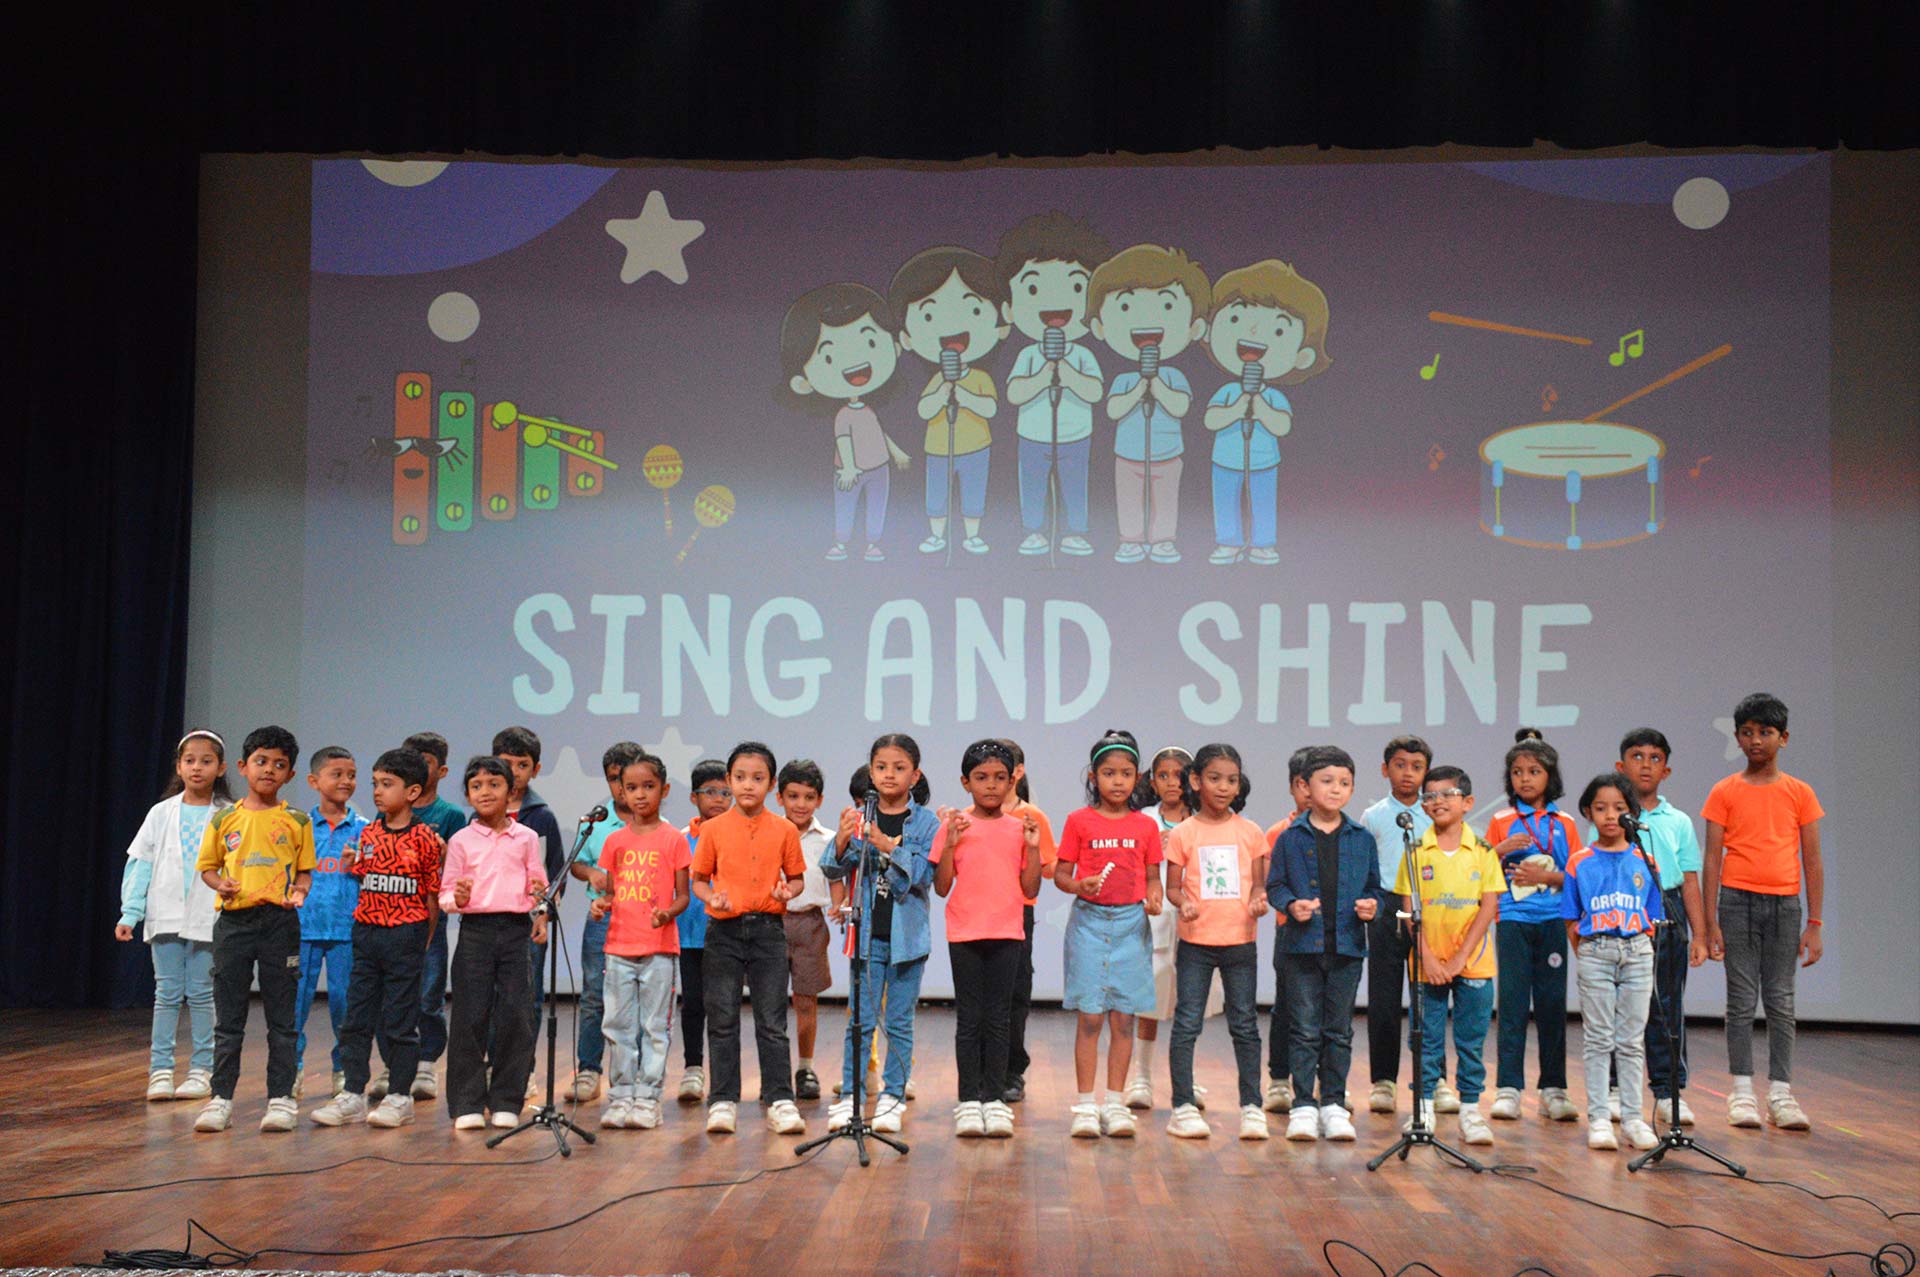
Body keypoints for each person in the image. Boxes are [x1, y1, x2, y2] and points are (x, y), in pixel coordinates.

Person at [1703, 692, 1824, 1131]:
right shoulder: (1724, 791)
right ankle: (1741, 1093)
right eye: (1748, 732)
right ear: (1737, 738)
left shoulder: (1800, 793)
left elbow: (1812, 861)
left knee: (1780, 1000)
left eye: (1766, 732)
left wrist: (1814, 924)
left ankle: (1780, 1093)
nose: (1756, 740)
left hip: (1785, 906)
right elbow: (1712, 859)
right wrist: (1711, 922)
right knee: (1740, 1001)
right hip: (1736, 902)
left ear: (1783, 738)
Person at [191, 725, 316, 1134]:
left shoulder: (297, 820)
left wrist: (299, 891)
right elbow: (208, 868)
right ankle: (220, 1099)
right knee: (229, 1018)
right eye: (261, 761)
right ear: (244, 767)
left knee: (282, 1017)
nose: (269, 770)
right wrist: (220, 884)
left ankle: (280, 1098)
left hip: (280, 923)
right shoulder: (224, 818)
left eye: (279, 765)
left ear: (290, 775)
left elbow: (304, 872)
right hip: (234, 924)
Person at [311, 747, 444, 1130]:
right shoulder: (368, 833)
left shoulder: (425, 839)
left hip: (406, 935)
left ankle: (400, 1096)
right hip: (367, 935)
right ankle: (352, 1094)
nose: (377, 792)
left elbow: (432, 896)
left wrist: (422, 940)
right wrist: (354, 865)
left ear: (413, 792)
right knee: (356, 1018)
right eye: (375, 784)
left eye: (387, 784)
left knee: (399, 1021)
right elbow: (365, 874)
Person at [691, 742, 808, 1137]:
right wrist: (712, 898)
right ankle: (723, 1100)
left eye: (757, 778)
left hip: (768, 931)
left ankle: (780, 1099)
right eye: (740, 777)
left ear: (771, 784)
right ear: (729, 780)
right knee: (722, 1018)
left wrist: (788, 892)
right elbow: (699, 880)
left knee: (771, 1021)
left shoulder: (785, 829)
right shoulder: (712, 829)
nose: (747, 785)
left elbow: (796, 879)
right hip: (723, 931)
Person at [1269, 746, 1385, 1142]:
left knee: (1338, 1030)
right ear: (1305, 786)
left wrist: (1372, 906)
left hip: (1347, 948)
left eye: (1345, 783)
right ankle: (1303, 1104)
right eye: (1327, 781)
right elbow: (1275, 885)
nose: (1336, 789)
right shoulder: (1290, 837)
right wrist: (1291, 904)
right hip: (1301, 949)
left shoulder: (1362, 838)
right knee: (1304, 1029)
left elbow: (1374, 888)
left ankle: (1333, 1103)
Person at [823, 735, 936, 1136]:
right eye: (882, 767)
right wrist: (842, 840)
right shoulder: (859, 816)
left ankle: (893, 1096)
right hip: (867, 935)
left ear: (914, 775)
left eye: (899, 768)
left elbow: (924, 876)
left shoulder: (926, 822)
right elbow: (832, 868)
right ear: (871, 772)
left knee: (900, 1022)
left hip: (907, 937)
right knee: (860, 1021)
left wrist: (887, 845)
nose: (890, 775)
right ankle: (851, 1095)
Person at [1056, 729, 1164, 1139]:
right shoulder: (1078, 821)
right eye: (1108, 773)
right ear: (1093, 777)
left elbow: (1152, 876)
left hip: (1131, 926)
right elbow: (1061, 874)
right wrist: (1077, 885)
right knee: (1089, 1017)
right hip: (1089, 923)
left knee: (1124, 1018)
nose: (1117, 781)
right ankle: (1086, 1105)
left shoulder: (1145, 825)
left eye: (1126, 773)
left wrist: (1154, 896)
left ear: (1137, 778)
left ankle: (1115, 1103)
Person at [933, 740, 1043, 1138]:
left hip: (1008, 932)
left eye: (999, 777)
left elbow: (1031, 888)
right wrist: (949, 844)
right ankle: (968, 1099)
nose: (991, 785)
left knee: (999, 1018)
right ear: (966, 782)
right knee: (970, 1018)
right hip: (965, 933)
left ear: (1013, 780)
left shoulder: (1019, 828)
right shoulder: (955, 825)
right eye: (981, 778)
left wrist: (1032, 849)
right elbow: (941, 886)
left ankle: (994, 1099)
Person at [117, 729, 232, 1103]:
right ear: (179, 767)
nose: (197, 768)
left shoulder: (229, 814)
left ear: (221, 768)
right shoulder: (161, 813)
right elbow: (141, 864)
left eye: (206, 761)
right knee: (166, 994)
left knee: (201, 994)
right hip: (165, 914)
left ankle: (202, 1070)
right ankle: (161, 1071)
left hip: (209, 917)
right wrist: (130, 913)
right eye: (190, 761)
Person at [1162, 743, 1270, 1141]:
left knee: (1244, 1025)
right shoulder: (1184, 833)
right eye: (1214, 778)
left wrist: (1259, 900)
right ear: (1195, 781)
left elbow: (1258, 884)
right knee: (1187, 1023)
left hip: (1240, 942)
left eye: (1231, 780)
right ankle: (1183, 1106)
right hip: (1197, 943)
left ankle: (1252, 1106)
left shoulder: (1251, 832)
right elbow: (1173, 888)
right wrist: (1184, 903)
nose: (1224, 787)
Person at [1199, 259, 1332, 566]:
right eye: (1236, 318)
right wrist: (1238, 407)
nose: (1254, 332)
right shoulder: (1228, 391)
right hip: (1225, 459)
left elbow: (1282, 426)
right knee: (1225, 501)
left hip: (1263, 462)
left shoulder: (1273, 396)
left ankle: (1263, 544)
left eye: (1278, 329)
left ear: (1302, 357)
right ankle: (1228, 543)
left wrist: (1259, 405)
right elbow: (1211, 420)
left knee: (1262, 502)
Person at [1396, 766, 1503, 1146]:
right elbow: (1407, 911)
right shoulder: (1414, 852)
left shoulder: (1483, 851)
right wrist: (1427, 957)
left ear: (1467, 802)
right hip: (1427, 964)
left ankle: (1471, 1110)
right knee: (1425, 1041)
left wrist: (1459, 960)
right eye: (1430, 796)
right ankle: (1423, 1107)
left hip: (1473, 963)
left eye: (1447, 794)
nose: (1437, 801)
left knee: (1471, 1042)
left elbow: (1488, 908)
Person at [440, 755, 547, 1131]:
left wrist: (540, 907)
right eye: (476, 786)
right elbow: (446, 893)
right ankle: (466, 1101)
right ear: (468, 794)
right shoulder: (461, 840)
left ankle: (506, 1099)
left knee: (516, 1015)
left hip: (516, 930)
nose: (485, 792)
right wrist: (458, 898)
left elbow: (538, 884)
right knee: (470, 1015)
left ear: (511, 791)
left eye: (494, 784)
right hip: (476, 931)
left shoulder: (527, 837)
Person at [996, 212, 1110, 558]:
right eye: (1033, 288)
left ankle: (1075, 532)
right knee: (1032, 485)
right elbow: (1014, 393)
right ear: (1010, 308)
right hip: (1033, 436)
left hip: (1076, 435)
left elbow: (1095, 392)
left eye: (1076, 287)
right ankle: (1034, 532)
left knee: (1075, 485)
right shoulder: (1029, 355)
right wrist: (1045, 373)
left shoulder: (1083, 355)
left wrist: (1066, 371)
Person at [1088, 244, 1211, 563]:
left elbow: (1180, 407)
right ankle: (1130, 539)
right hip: (1127, 454)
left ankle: (1162, 541)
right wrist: (1141, 384)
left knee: (1165, 499)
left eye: (1166, 305)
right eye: (1127, 306)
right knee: (1129, 499)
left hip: (1167, 454)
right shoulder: (1124, 379)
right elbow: (1114, 410)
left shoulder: (1173, 376)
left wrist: (1155, 380)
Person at [1484, 731, 1582, 1123]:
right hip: (1512, 920)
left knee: (1552, 1005)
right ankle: (1508, 1088)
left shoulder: (1565, 822)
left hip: (1553, 921)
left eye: (1534, 771)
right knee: (1511, 1005)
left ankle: (1554, 1089)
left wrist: (1548, 878)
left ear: (1550, 776)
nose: (1525, 779)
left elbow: (1577, 875)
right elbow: (1480, 872)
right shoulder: (1501, 820)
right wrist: (1498, 851)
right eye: (1517, 772)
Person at [1610, 728, 1706, 1125]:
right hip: (1623, 908)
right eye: (1637, 757)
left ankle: (1668, 1091)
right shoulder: (1610, 815)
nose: (1645, 765)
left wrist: (1700, 935)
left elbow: (1690, 880)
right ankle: (1616, 1088)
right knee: (1620, 1003)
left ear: (1666, 770)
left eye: (1654, 758)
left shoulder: (1678, 821)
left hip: (1667, 906)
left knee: (1667, 1004)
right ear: (1621, 767)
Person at [1563, 772, 1664, 1152]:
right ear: (1588, 812)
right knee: (1598, 1038)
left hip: (1637, 951)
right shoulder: (1580, 862)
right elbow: (1571, 917)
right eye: (1601, 808)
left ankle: (1634, 1119)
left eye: (1619, 808)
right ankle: (1600, 1119)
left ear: (1631, 813)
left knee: (1631, 1041)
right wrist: (1588, 953)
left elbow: (1653, 914)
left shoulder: (1645, 860)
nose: (1610, 816)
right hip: (1596, 951)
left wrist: (1640, 945)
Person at [591, 752, 691, 1130]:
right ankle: (620, 1096)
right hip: (618, 948)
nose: (640, 795)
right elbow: (612, 892)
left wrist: (667, 913)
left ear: (664, 790)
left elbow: (683, 896)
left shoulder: (674, 839)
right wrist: (601, 904)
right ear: (620, 791)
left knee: (654, 1027)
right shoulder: (615, 840)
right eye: (631, 787)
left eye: (648, 786)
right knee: (617, 1025)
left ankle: (648, 1098)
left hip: (659, 949)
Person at [779, 282, 911, 562]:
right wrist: (849, 467)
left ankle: (873, 544)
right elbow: (843, 440)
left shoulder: (867, 410)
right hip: (851, 471)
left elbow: (878, 432)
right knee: (845, 505)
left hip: (879, 468)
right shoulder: (843, 415)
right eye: (829, 356)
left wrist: (896, 452)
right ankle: (841, 543)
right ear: (803, 382)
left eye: (870, 342)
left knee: (877, 506)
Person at [889, 245, 1008, 555]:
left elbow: (990, 408)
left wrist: (965, 396)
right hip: (939, 448)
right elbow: (923, 409)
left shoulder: (980, 377)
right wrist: (942, 394)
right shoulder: (938, 379)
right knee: (937, 493)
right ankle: (937, 535)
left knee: (973, 492)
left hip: (977, 447)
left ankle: (972, 535)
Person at [1126, 745, 1220, 1108]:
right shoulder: (1143, 820)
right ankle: (1141, 1078)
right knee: (1149, 998)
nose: (1171, 783)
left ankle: (1186, 1078)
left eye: (1178, 775)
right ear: (1152, 782)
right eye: (1162, 776)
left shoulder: (1202, 820)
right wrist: (1153, 848)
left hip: (1194, 917)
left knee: (1190, 1002)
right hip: (1154, 917)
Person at [567, 741, 644, 1104]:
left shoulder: (655, 824)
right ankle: (588, 1069)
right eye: (614, 779)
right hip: (602, 916)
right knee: (594, 995)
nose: (621, 787)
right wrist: (591, 873)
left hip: (642, 919)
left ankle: (634, 1072)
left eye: (628, 779)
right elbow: (576, 863)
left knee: (639, 996)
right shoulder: (596, 822)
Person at [1359, 735, 1433, 1114]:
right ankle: (1383, 1081)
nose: (1408, 773)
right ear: (1385, 769)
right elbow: (1365, 867)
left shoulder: (1434, 813)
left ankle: (1432, 1080)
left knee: (1429, 999)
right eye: (1400, 765)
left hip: (1428, 906)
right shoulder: (1372, 816)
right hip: (1387, 905)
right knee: (1384, 998)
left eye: (1417, 767)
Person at [292, 746, 364, 1101]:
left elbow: (375, 875)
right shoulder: (299, 827)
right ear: (313, 781)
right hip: (302, 928)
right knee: (295, 1006)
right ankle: (291, 1069)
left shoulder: (365, 829)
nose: (346, 781)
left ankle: (344, 1071)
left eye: (351, 775)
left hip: (346, 931)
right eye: (337, 774)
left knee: (345, 1007)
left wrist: (360, 865)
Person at [402, 731, 466, 1102]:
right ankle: (398, 1063)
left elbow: (460, 864)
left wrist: (442, 854)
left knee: (428, 992)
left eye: (424, 762)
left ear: (441, 770)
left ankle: (427, 1062)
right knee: (397, 993)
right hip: (393, 913)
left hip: (430, 915)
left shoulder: (450, 815)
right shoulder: (392, 807)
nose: (415, 767)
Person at [777, 758, 844, 1101]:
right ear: (779, 798)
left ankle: (805, 1068)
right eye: (793, 796)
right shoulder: (769, 833)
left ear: (819, 800)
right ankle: (775, 1072)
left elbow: (836, 877)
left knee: (806, 1001)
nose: (800, 804)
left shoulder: (829, 839)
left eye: (808, 797)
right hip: (771, 923)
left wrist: (839, 905)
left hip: (810, 924)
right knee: (770, 1003)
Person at [492, 727, 564, 1021]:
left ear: (535, 770)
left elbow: (556, 873)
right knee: (491, 996)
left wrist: (544, 915)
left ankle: (524, 1053)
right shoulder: (480, 815)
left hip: (530, 921)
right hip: (489, 921)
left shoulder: (542, 817)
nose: (514, 772)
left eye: (522, 765)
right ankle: (492, 1051)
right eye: (506, 763)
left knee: (527, 995)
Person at [1000, 737, 1058, 1104]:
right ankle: (981, 1069)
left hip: (1019, 909)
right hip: (980, 910)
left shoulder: (1032, 816)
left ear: (1017, 771)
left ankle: (1012, 1071)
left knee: (1016, 993)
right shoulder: (969, 814)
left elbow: (1049, 868)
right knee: (983, 996)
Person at [1262, 746, 1314, 1114]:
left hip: (1330, 935)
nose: (1312, 792)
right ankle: (1280, 1080)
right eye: (1304, 784)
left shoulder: (1345, 832)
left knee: (1324, 1012)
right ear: (1295, 785)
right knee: (1286, 1007)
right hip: (1290, 933)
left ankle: (1324, 1082)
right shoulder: (1278, 832)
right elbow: (1271, 885)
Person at [675, 758, 729, 1104]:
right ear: (694, 797)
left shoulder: (738, 835)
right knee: (693, 1003)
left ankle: (724, 1074)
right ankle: (693, 1068)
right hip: (691, 935)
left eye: (725, 792)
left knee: (724, 1007)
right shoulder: (681, 839)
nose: (719, 799)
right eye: (710, 791)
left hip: (728, 934)